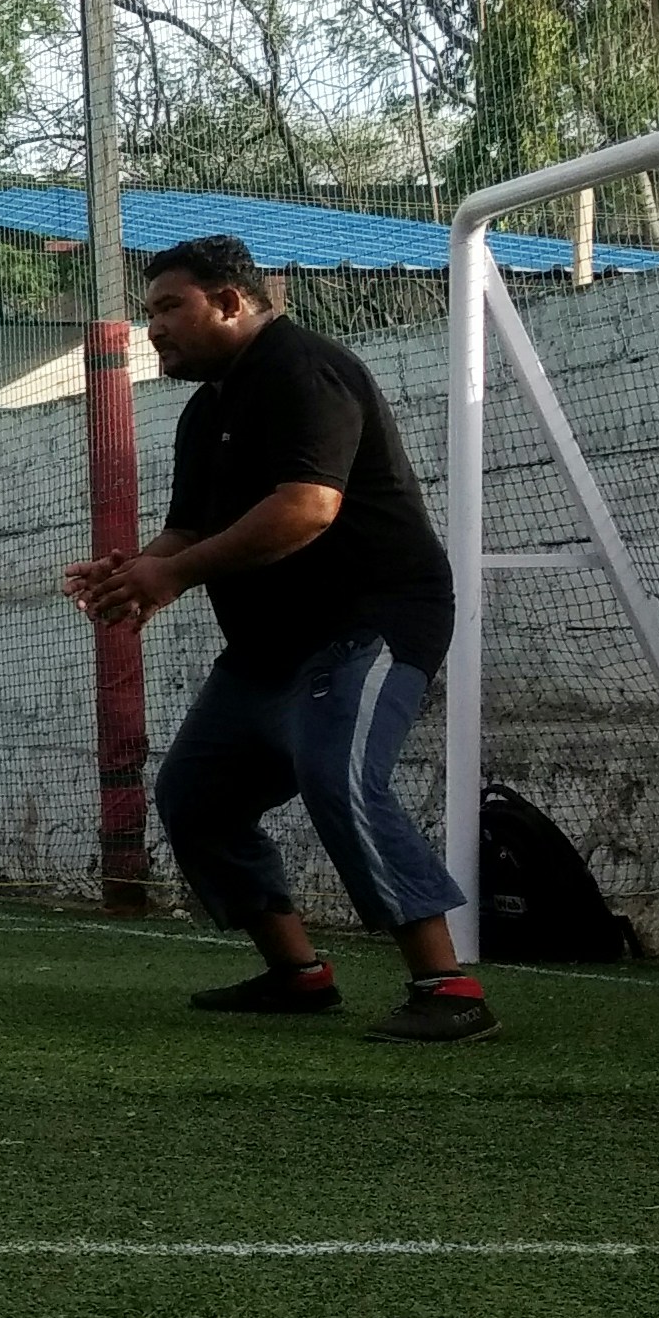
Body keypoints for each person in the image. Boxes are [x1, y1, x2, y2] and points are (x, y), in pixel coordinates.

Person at [61, 234, 494, 1043]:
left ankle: (449, 985)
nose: (152, 328)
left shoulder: (302, 370)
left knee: (338, 776)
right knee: (195, 798)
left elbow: (307, 507)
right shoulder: (207, 407)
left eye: (167, 308)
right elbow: (186, 528)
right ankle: (297, 974)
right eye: (148, 311)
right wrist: (134, 572)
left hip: (365, 627)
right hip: (267, 647)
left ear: (229, 302)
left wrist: (174, 574)